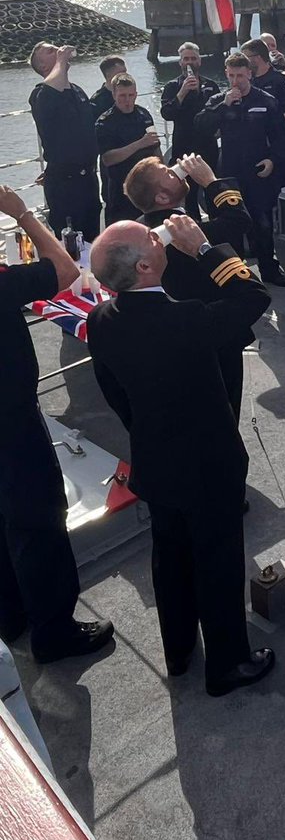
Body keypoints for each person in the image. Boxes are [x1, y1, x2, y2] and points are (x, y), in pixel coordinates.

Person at [87, 217, 273, 695]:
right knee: (218, 561)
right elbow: (254, 297)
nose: (159, 236)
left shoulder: (100, 320)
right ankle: (228, 663)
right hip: (209, 465)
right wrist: (206, 249)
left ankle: (178, 650)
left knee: (169, 558)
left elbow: (115, 395)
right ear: (145, 266)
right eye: (150, 237)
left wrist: (149, 432)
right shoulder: (187, 319)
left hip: (156, 462)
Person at [0, 184, 114, 662]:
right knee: (39, 515)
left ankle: (11, 615)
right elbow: (66, 270)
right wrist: (22, 213)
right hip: (10, 418)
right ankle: (54, 631)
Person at [123, 153, 259, 421]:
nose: (175, 171)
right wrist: (211, 182)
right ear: (162, 197)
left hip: (174, 339)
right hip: (215, 334)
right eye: (167, 173)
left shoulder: (143, 227)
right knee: (223, 412)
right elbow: (238, 221)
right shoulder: (182, 231)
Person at [195, 52, 285, 286]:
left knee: (262, 223)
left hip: (257, 171)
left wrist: (273, 160)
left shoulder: (266, 101)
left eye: (240, 75)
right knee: (230, 225)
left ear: (249, 74)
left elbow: (281, 137)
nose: (236, 81)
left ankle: (269, 270)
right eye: (231, 76)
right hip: (229, 174)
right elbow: (201, 126)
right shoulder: (218, 100)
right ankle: (236, 275)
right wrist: (224, 105)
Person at [28, 42, 101, 242]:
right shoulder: (40, 94)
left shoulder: (77, 91)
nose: (58, 50)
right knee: (70, 242)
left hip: (88, 180)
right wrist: (61, 59)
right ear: (43, 66)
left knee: (92, 239)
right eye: (50, 51)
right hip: (65, 184)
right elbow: (50, 92)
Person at [160, 43, 221, 218]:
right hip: (183, 148)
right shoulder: (172, 87)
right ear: (180, 62)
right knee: (188, 195)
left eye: (193, 58)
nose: (189, 62)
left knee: (212, 190)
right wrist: (182, 92)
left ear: (199, 61)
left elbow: (218, 113)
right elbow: (167, 113)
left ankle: (217, 225)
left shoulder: (211, 85)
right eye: (186, 59)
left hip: (207, 148)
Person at [95, 73, 161, 225]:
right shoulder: (105, 122)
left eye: (131, 95)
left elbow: (155, 146)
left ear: (136, 94)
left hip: (146, 184)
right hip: (121, 187)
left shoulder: (144, 114)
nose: (127, 100)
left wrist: (161, 171)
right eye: (122, 96)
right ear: (114, 95)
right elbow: (108, 159)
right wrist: (139, 143)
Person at [242, 38, 285, 186]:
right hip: (258, 145)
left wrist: (269, 131)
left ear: (257, 58)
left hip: (284, 144)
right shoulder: (249, 82)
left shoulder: (281, 80)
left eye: (245, 58)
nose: (243, 62)